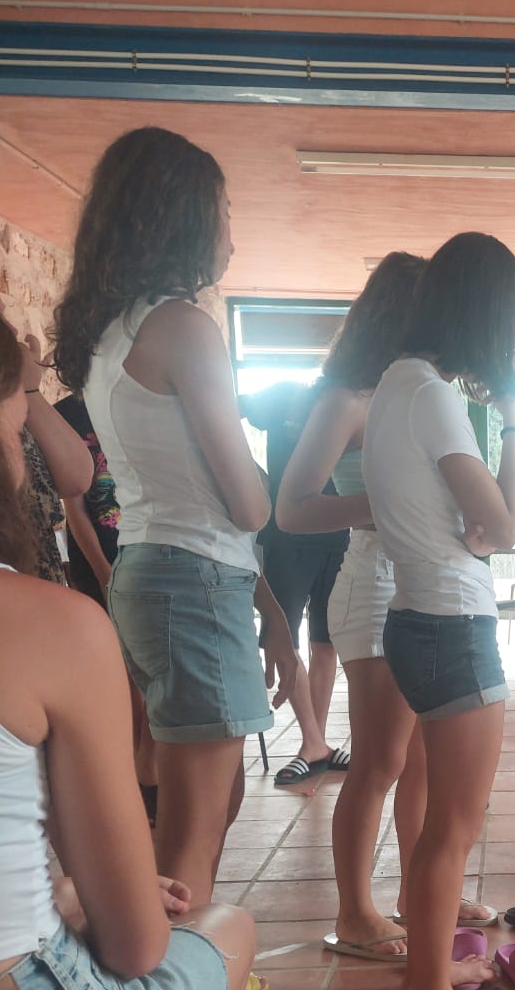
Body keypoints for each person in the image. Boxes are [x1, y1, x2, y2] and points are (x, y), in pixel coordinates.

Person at [0, 304, 255, 990]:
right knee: (223, 927)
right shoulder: (44, 625)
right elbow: (137, 947)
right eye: (15, 427)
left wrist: (60, 891)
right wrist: (99, 902)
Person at [54, 127, 298, 932]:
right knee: (196, 821)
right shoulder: (184, 328)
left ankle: (167, 961)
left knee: (206, 799)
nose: (231, 233)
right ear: (183, 218)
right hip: (192, 578)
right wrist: (262, 482)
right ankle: (174, 989)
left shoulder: (115, 331)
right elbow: (250, 505)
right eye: (224, 212)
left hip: (159, 569)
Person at [278, 251, 498, 966]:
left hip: (417, 583)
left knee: (425, 763)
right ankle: (354, 913)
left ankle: (419, 894)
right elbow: (291, 508)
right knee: (379, 761)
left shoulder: (419, 394)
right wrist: (387, 501)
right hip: (371, 584)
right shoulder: (348, 399)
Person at [362, 233, 515, 990]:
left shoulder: (397, 383)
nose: (514, 346)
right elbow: (503, 524)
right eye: (514, 329)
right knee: (453, 828)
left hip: (416, 616)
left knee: (440, 820)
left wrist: (481, 527)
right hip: (453, 624)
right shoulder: (432, 395)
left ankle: (429, 970)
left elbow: (475, 523)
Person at [54, 391, 159, 820]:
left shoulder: (138, 399)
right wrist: (101, 569)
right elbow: (74, 507)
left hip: (151, 553)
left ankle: (148, 771)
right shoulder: (66, 415)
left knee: (152, 669)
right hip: (100, 558)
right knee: (122, 670)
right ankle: (135, 777)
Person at [240, 380, 350, 785]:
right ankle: (313, 741)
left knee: (327, 642)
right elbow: (224, 411)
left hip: (340, 538)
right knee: (283, 638)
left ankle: (316, 744)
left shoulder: (351, 403)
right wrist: (254, 476)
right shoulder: (283, 394)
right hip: (287, 537)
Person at [0, 274, 92, 585]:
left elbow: (77, 478)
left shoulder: (16, 406)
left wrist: (30, 390)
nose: (12, 330)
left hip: (36, 581)